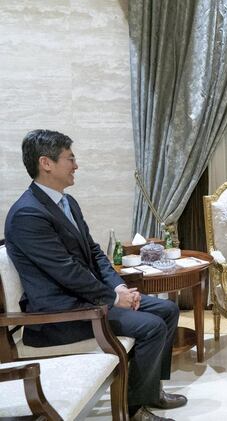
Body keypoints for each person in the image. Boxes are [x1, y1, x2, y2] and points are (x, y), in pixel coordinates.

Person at [4, 130, 185, 421]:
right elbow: (67, 272)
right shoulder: (28, 214)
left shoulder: (67, 203)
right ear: (46, 163)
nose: (76, 165)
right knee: (151, 326)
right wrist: (113, 297)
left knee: (167, 309)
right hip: (61, 315)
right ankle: (135, 409)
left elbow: (95, 253)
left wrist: (120, 288)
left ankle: (151, 391)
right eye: (70, 158)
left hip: (89, 301)